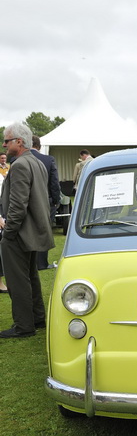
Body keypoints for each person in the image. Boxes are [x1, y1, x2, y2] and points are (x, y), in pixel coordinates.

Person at [0, 123, 54, 338]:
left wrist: (8, 233)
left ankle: (24, 326)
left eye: (6, 140)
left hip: (20, 233)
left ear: (19, 142)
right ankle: (37, 318)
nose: (4, 144)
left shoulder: (21, 164)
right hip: (34, 231)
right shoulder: (36, 162)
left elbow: (18, 205)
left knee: (17, 280)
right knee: (31, 276)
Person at [31, 135, 61, 270]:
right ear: (39, 146)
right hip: (45, 201)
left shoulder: (16, 159)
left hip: (25, 201)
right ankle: (41, 263)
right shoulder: (48, 160)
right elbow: (54, 183)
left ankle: (28, 262)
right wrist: (56, 200)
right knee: (44, 231)